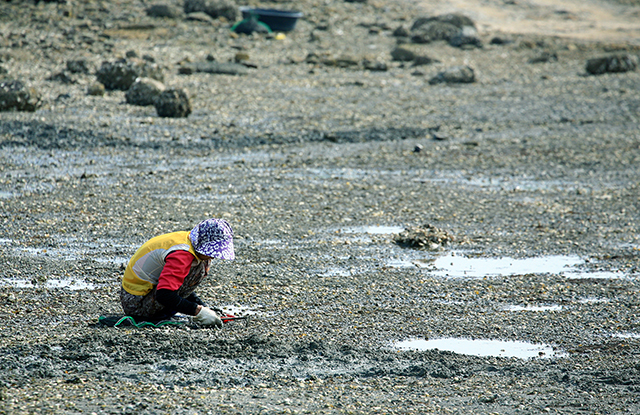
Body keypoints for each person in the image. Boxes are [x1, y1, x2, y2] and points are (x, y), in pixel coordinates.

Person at [120, 218, 235, 327]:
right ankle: (155, 314)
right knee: (199, 268)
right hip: (136, 303)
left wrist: (206, 309)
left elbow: (179, 286)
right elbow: (164, 294)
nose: (213, 256)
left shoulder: (190, 240)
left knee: (202, 263)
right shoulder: (182, 254)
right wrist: (198, 311)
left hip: (142, 295)